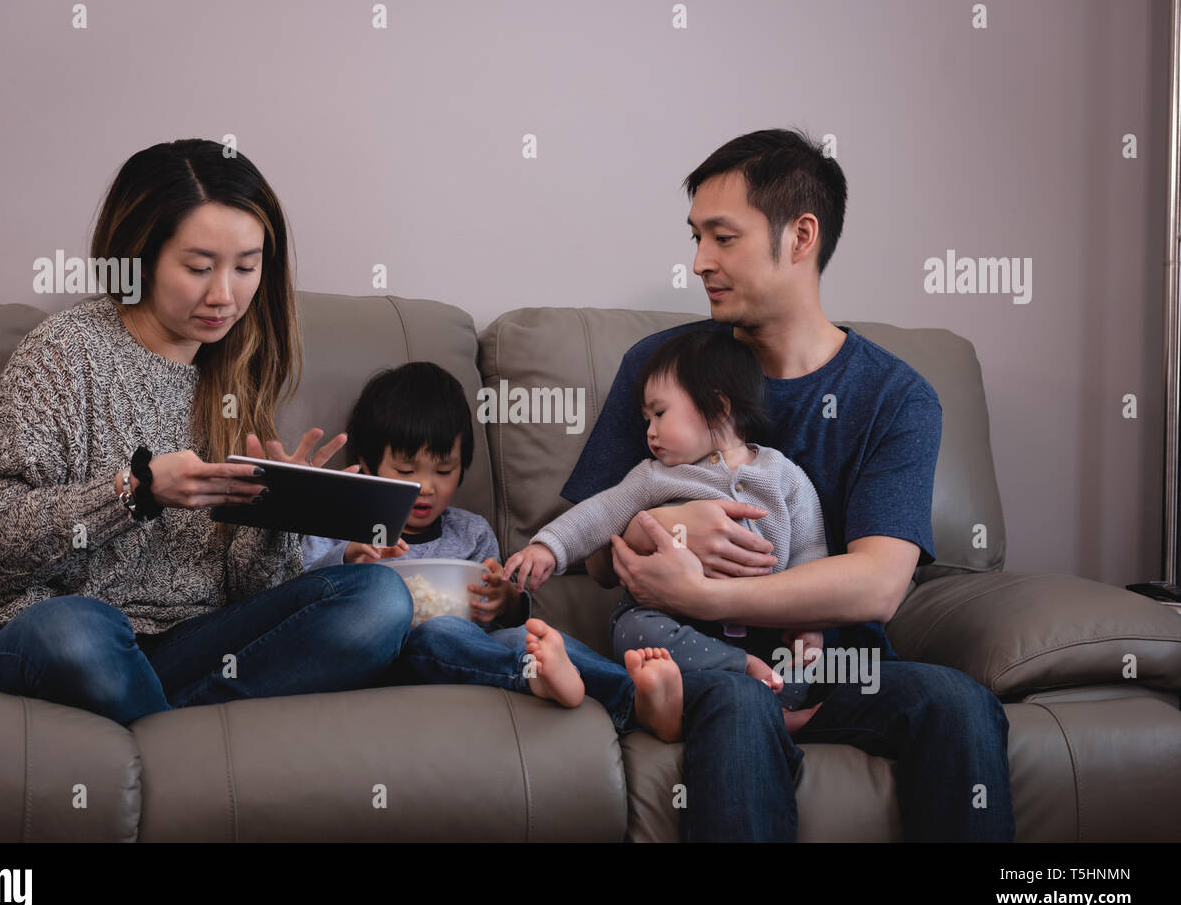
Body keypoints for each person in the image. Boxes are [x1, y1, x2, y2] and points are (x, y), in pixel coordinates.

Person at [562, 128, 1015, 841]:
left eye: (722, 238)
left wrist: (709, 590)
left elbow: (876, 583)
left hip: (834, 662)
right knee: (741, 704)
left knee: (957, 703)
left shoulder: (896, 396)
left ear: (800, 236)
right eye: (696, 238)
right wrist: (673, 527)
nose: (698, 262)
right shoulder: (661, 367)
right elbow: (592, 561)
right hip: (702, 660)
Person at [0, 139, 414, 725]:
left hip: (187, 645)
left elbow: (249, 595)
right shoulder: (62, 354)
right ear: (140, 256)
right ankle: (187, 745)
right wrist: (134, 491)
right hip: (56, 630)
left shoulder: (236, 374)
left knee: (375, 600)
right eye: (199, 268)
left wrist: (279, 517)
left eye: (246, 267)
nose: (224, 295)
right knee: (77, 627)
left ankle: (156, 729)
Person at [301, 360, 677, 717]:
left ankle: (635, 699)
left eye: (444, 470)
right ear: (368, 462)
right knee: (439, 632)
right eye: (405, 469)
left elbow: (502, 617)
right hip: (384, 657)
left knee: (523, 638)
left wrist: (505, 599)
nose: (427, 487)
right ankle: (533, 675)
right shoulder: (344, 523)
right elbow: (301, 591)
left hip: (467, 654)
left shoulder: (471, 532)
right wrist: (348, 557)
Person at [501, 328, 827, 712]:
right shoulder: (654, 476)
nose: (650, 432)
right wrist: (548, 548)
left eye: (659, 413)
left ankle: (774, 708)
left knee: (805, 663)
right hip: (674, 619)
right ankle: (735, 671)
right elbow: (601, 513)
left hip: (761, 620)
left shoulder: (784, 475)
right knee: (633, 631)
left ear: (718, 408)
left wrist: (809, 622)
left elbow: (811, 548)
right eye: (646, 420)